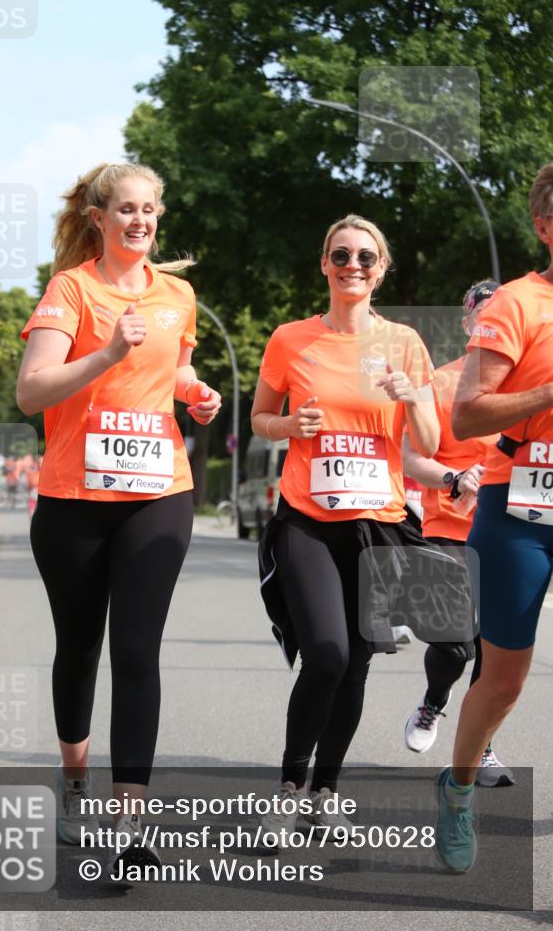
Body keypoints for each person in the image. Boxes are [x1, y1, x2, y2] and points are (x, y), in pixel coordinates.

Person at [16, 162, 221, 874]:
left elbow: (175, 373)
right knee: (80, 650)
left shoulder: (178, 295)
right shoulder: (72, 289)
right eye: (126, 210)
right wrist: (106, 352)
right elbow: (30, 391)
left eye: (150, 210)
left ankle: (130, 823)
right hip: (74, 498)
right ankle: (74, 782)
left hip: (158, 491)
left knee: (136, 652)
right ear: (99, 218)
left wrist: (197, 395)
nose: (140, 221)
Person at [252, 214, 442, 841]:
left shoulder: (406, 343)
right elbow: (259, 418)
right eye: (341, 255)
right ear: (325, 264)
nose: (352, 265)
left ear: (381, 267)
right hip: (306, 518)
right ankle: (288, 785)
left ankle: (325, 790)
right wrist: (289, 428)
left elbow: (431, 440)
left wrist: (413, 396)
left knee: (357, 663)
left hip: (378, 524)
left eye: (365, 256)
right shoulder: (290, 339)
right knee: (328, 653)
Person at [435, 164, 553, 873]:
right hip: (519, 508)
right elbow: (467, 411)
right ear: (546, 226)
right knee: (503, 678)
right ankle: (457, 787)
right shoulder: (514, 304)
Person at [402, 279, 513, 786]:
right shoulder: (440, 383)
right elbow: (411, 457)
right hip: (447, 527)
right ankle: (432, 703)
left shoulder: (528, 386)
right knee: (453, 642)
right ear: (468, 326)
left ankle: (480, 746)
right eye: (480, 319)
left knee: (493, 650)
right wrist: (454, 476)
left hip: (509, 530)